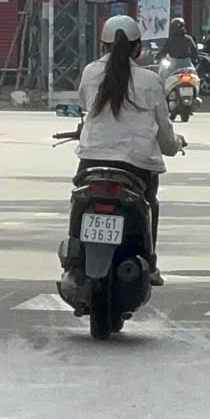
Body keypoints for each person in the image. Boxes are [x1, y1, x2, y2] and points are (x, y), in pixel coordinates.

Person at [76, 15, 183, 286]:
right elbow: (163, 127)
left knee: (79, 203)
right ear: (138, 48)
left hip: (92, 161)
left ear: (103, 46)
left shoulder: (90, 73)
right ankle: (150, 263)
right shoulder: (150, 80)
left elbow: (85, 105)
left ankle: (74, 257)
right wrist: (173, 146)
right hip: (137, 165)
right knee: (149, 205)